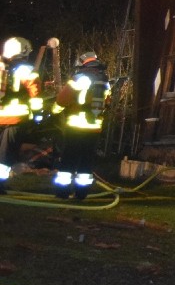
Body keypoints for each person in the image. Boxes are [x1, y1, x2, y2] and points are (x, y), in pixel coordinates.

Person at [51, 51, 110, 199]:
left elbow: (63, 99)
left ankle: (62, 192)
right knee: (86, 162)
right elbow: (107, 102)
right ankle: (81, 194)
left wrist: (54, 110)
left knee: (69, 159)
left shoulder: (78, 78)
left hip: (75, 126)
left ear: (82, 63)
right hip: (94, 127)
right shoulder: (104, 80)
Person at [0, 36, 41, 194]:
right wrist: (38, 114)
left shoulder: (2, 66)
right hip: (14, 117)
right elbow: (35, 93)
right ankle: (0, 185)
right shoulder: (26, 69)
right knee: (5, 154)